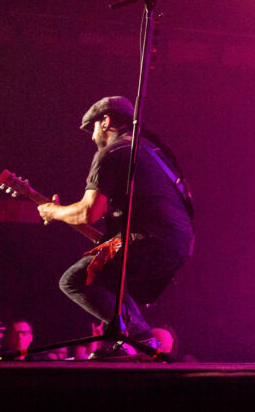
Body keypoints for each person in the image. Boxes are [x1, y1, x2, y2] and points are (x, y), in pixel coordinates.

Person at [38, 96, 194, 360]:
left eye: (93, 128)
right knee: (107, 278)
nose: (92, 138)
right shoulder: (153, 151)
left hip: (147, 239)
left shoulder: (112, 152)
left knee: (74, 280)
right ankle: (131, 342)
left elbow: (89, 212)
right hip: (179, 241)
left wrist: (55, 212)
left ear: (106, 121)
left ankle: (141, 338)